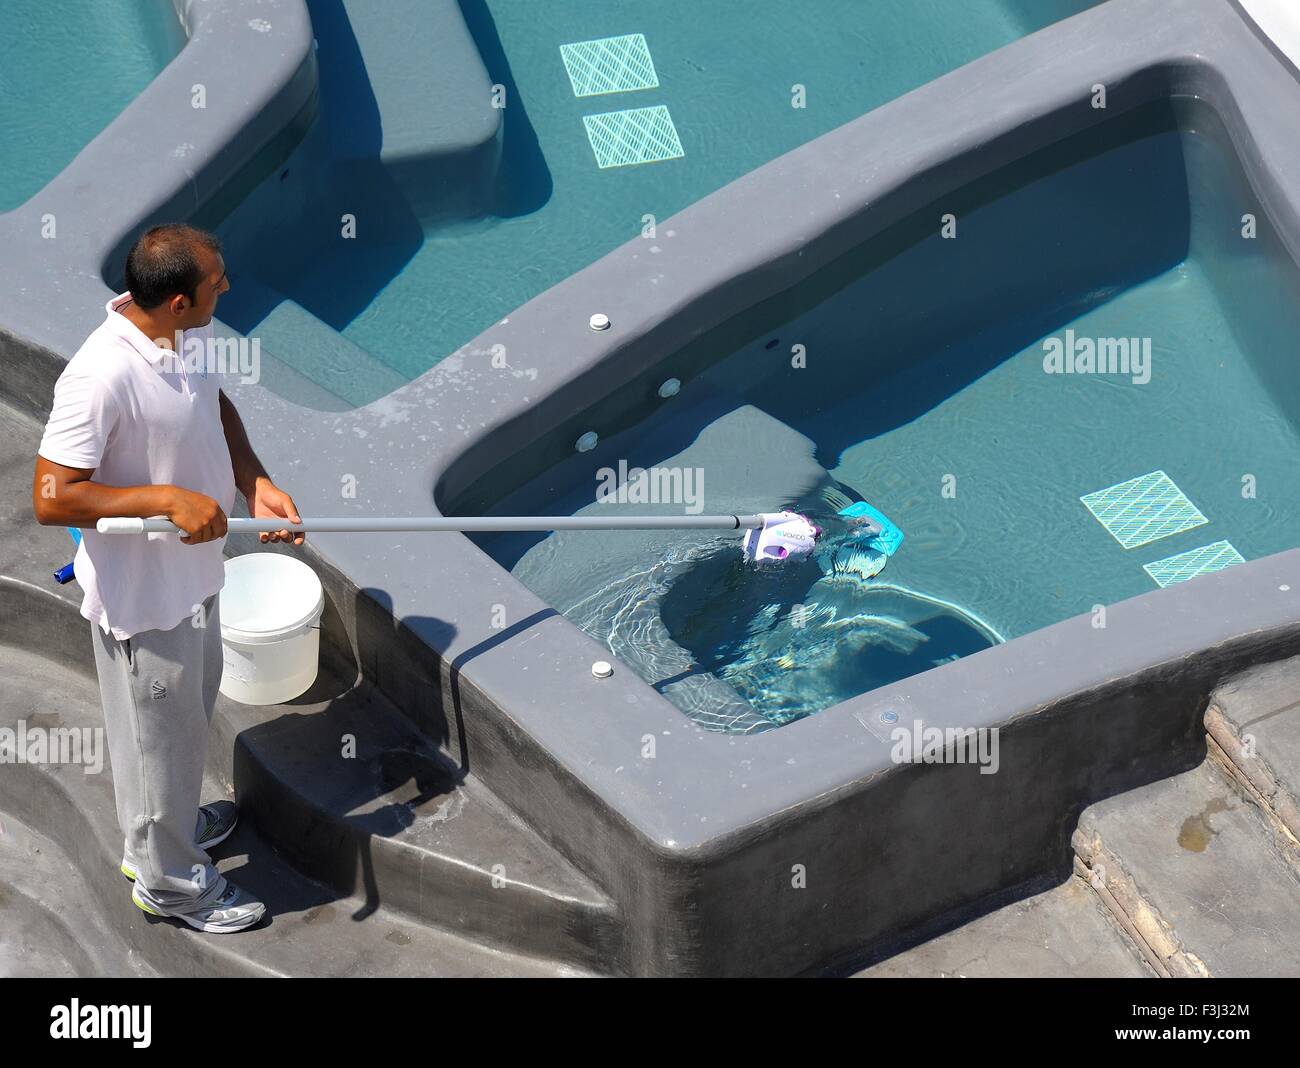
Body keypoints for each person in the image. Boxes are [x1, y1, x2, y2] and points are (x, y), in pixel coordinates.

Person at [31, 223, 303, 933]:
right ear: (179, 300)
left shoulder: (188, 337)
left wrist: (256, 480)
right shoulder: (100, 376)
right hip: (144, 599)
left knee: (179, 728)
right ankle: (170, 884)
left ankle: (164, 831)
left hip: (195, 575)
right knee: (159, 742)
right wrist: (165, 499)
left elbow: (214, 406)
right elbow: (52, 496)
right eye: (217, 281)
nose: (228, 287)